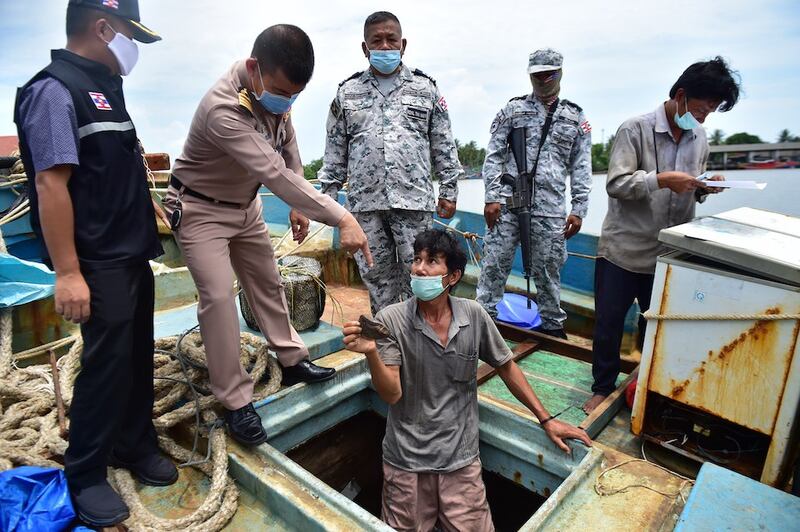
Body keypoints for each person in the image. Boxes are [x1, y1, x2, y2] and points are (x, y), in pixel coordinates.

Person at [163, 25, 372, 446]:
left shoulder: (273, 93)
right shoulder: (224, 108)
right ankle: (236, 400)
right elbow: (273, 173)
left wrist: (299, 204)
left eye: (295, 95)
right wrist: (341, 218)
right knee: (220, 298)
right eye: (282, 92)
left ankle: (292, 358)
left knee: (268, 282)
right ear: (255, 68)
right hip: (201, 208)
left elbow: (288, 149)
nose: (287, 101)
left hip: (245, 207)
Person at [13, 0, 174, 526]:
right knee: (104, 368)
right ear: (103, 27)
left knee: (135, 357)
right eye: (130, 33)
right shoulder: (54, 91)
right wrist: (68, 272)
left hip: (131, 253)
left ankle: (133, 443)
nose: (134, 47)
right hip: (95, 261)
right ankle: (85, 472)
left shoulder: (107, 88)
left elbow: (117, 171)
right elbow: (50, 184)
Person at [343, 229, 592, 531]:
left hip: (461, 463)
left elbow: (506, 366)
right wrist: (371, 353)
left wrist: (546, 419)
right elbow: (392, 394)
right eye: (417, 259)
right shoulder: (390, 319)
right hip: (406, 464)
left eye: (432, 261)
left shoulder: (473, 315)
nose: (420, 268)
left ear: (452, 276)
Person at [583, 57, 740, 414]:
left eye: (710, 112)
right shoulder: (634, 129)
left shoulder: (699, 136)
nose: (702, 118)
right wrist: (661, 179)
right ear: (681, 95)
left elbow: (693, 183)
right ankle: (602, 387)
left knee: (656, 325)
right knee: (608, 323)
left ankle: (646, 382)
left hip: (670, 253)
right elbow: (617, 184)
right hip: (624, 250)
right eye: (701, 109)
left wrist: (706, 187)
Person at [318, 11, 463, 315]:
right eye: (377, 41)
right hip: (365, 207)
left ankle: (423, 338)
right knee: (377, 277)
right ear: (365, 48)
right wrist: (327, 203)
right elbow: (334, 155)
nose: (384, 46)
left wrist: (449, 189)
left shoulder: (426, 89)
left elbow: (443, 144)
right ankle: (387, 340)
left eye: (391, 40)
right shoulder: (347, 92)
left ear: (403, 44)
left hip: (413, 202)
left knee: (422, 275)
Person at [477, 48, 592, 339]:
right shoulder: (513, 110)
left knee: (549, 269)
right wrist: (491, 196)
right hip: (508, 202)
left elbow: (581, 167)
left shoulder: (574, 118)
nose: (542, 79)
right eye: (536, 74)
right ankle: (482, 321)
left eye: (548, 74)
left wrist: (579, 209)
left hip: (550, 207)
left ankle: (552, 326)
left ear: (560, 73)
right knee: (495, 263)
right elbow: (493, 155)